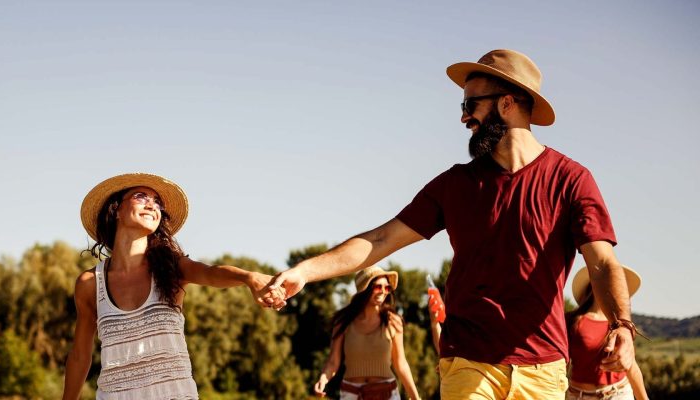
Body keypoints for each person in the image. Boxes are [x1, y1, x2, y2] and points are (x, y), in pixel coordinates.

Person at [261, 49, 641, 399]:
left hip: (544, 368)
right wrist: (305, 272)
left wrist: (621, 326)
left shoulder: (571, 180)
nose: (463, 117)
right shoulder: (456, 185)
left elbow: (603, 263)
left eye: (470, 104)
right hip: (468, 360)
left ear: (507, 103)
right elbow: (380, 239)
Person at [62, 173, 276, 400]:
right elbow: (79, 355)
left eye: (157, 202)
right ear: (116, 210)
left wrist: (248, 277)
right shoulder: (90, 283)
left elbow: (211, 273)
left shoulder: (171, 267)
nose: (152, 205)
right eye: (141, 196)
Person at [313, 266, 421, 400]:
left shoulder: (393, 321)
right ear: (365, 289)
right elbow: (333, 361)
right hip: (351, 393)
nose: (383, 292)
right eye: (377, 287)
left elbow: (401, 364)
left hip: (386, 393)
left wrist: (415, 397)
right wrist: (323, 379)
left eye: (387, 288)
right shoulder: (343, 321)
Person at [567, 266, 648, 400]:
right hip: (579, 396)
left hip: (618, 394)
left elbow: (630, 364)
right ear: (594, 284)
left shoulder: (622, 327)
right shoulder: (572, 321)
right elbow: (560, 364)